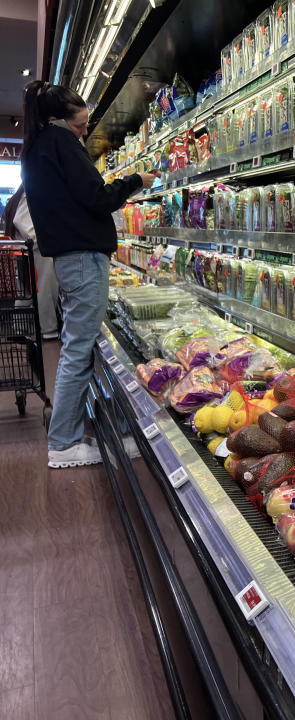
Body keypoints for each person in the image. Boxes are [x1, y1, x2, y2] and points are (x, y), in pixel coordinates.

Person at [20, 80, 157, 468]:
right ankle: (64, 443)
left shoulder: (40, 145)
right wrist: (134, 182)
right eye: (80, 126)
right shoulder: (61, 142)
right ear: (58, 120)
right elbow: (96, 198)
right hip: (82, 257)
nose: (84, 132)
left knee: (75, 346)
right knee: (78, 349)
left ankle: (69, 433)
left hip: (70, 257)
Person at [2, 186, 60, 339]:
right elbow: (29, 230)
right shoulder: (30, 195)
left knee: (28, 291)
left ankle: (21, 328)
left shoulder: (22, 196)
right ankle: (48, 330)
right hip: (37, 251)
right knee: (44, 289)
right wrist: (48, 237)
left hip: (26, 252)